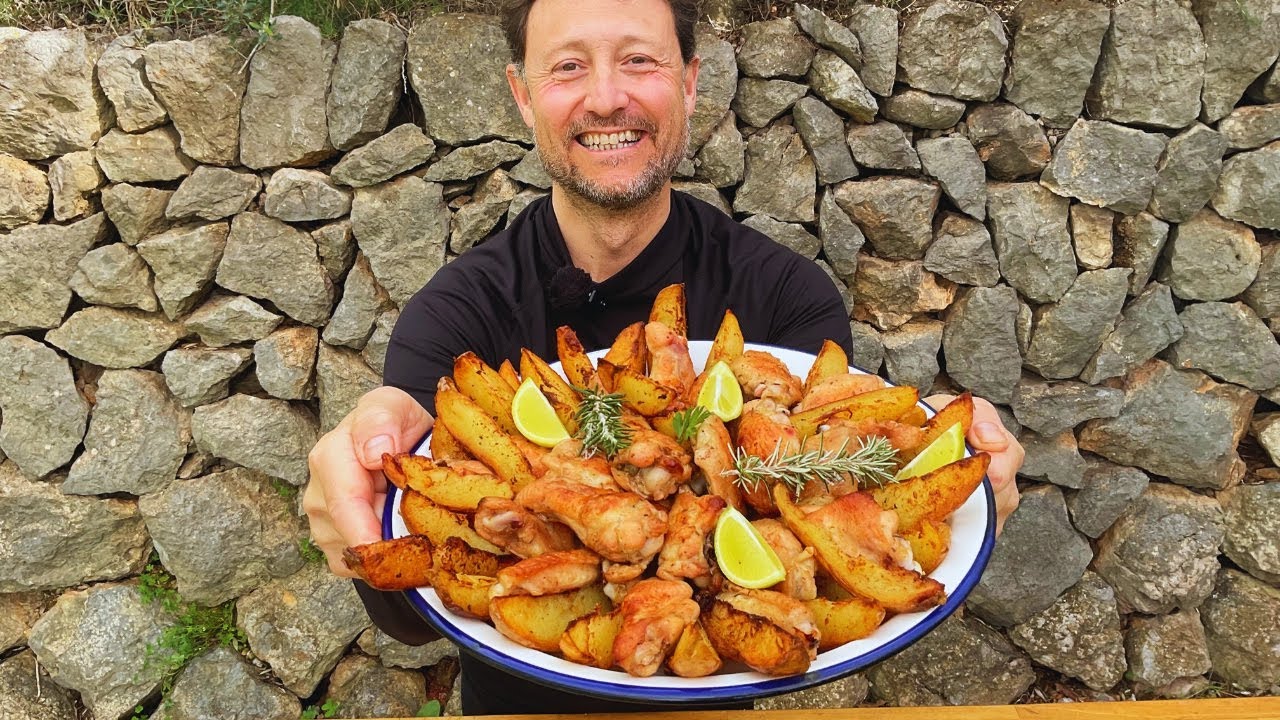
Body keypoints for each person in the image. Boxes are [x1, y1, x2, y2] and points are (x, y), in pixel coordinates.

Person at [304, 0, 1024, 713]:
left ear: (688, 81)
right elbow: (411, 608)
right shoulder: (459, 314)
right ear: (524, 96)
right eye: (567, 67)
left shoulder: (784, 294)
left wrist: (960, 478)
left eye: (640, 59)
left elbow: (832, 570)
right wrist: (359, 512)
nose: (608, 97)